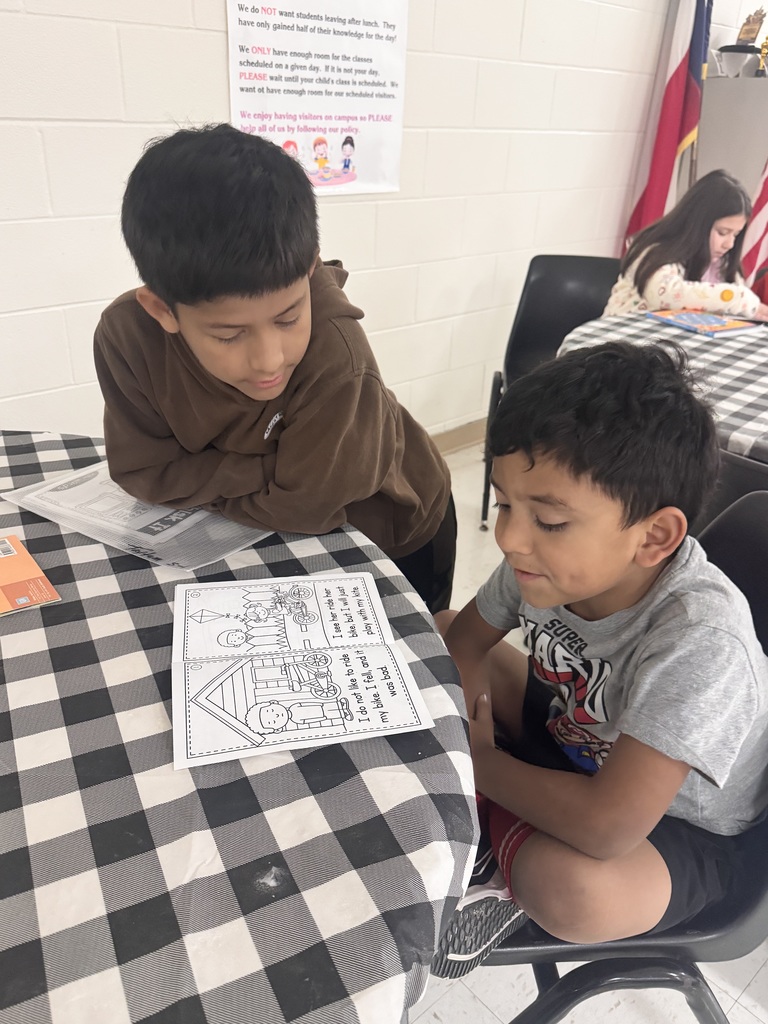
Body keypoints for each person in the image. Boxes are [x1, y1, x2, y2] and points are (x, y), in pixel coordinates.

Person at [431, 341, 768, 978]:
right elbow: (465, 641)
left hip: (672, 824)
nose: (509, 537)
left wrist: (476, 761)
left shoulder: (700, 641)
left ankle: (492, 841)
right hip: (574, 728)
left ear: (655, 537)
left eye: (549, 520)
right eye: (505, 504)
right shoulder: (540, 566)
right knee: (445, 629)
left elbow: (610, 827)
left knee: (574, 892)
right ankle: (506, 817)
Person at [93, 124, 455, 613]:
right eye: (228, 335)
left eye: (288, 318)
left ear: (309, 268)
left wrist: (203, 479)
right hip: (264, 535)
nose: (270, 360)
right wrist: (275, 470)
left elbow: (307, 507)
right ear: (162, 310)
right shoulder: (127, 337)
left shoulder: (338, 356)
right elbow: (142, 472)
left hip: (398, 529)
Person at [604, 169, 768, 320]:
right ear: (697, 223)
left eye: (736, 235)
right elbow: (667, 295)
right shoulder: (655, 251)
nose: (730, 244)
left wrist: (752, 310)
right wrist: (736, 297)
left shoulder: (722, 264)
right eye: (723, 233)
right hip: (625, 341)